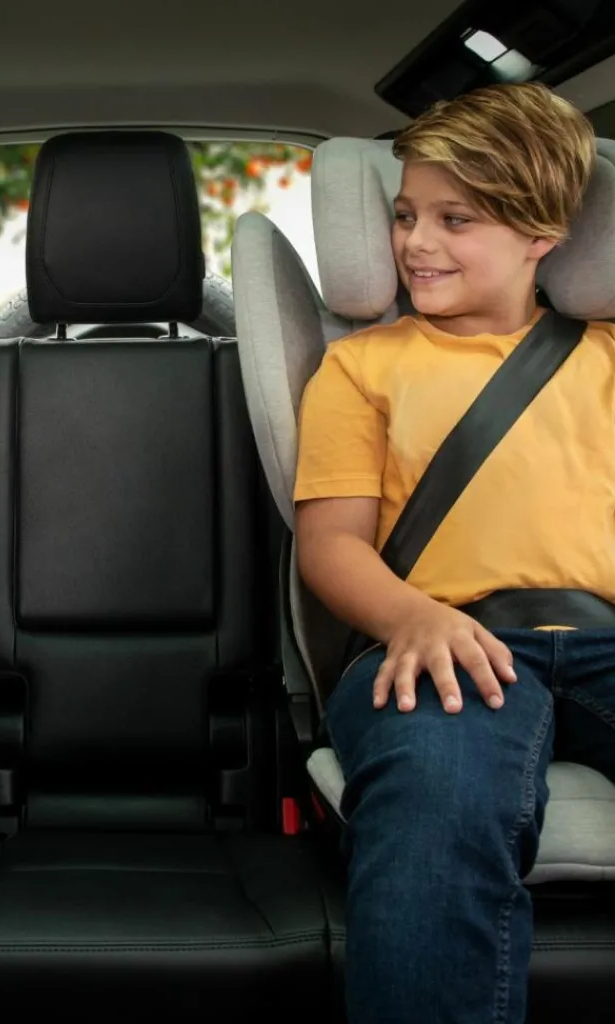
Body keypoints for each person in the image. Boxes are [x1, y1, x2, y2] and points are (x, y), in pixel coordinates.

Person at [294, 82, 613, 1023]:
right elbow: (330, 545)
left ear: (542, 234)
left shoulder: (604, 359)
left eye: (454, 219)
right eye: (405, 216)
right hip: (436, 641)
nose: (415, 243)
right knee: (439, 799)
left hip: (602, 642)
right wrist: (413, 618)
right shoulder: (362, 366)